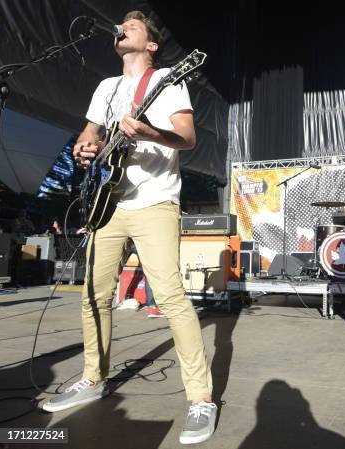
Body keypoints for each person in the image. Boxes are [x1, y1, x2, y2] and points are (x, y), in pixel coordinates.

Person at [41, 11, 216, 445]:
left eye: (132, 26)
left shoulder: (171, 77)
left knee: (171, 297)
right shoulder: (106, 88)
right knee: (92, 296)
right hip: (109, 203)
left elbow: (187, 138)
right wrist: (86, 149)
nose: (122, 30)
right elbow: (89, 134)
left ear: (151, 44)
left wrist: (148, 131)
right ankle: (92, 378)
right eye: (120, 26)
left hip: (155, 202)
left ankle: (200, 399)